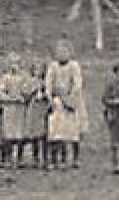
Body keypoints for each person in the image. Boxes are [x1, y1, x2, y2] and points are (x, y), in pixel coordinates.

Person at [44, 39, 87, 168]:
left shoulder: (74, 66)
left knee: (73, 132)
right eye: (59, 52)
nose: (62, 54)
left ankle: (74, 159)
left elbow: (78, 83)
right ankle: (54, 159)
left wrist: (70, 96)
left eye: (65, 51)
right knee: (55, 131)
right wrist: (50, 97)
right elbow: (48, 83)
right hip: (57, 102)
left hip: (71, 100)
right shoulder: (52, 66)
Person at [0, 55, 26, 167]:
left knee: (19, 134)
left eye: (16, 63)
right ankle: (7, 158)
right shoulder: (5, 78)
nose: (14, 66)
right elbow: (0, 92)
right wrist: (9, 98)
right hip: (8, 108)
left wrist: (22, 97)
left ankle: (19, 159)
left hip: (20, 109)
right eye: (12, 63)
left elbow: (27, 91)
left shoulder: (23, 78)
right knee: (8, 134)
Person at [23, 58, 50, 169]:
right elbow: (25, 94)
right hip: (33, 109)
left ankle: (44, 158)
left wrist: (45, 95)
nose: (38, 71)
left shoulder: (46, 82)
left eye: (40, 69)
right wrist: (33, 91)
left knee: (43, 134)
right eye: (36, 69)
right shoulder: (30, 81)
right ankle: (35, 158)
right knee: (34, 134)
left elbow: (50, 94)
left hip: (42, 109)